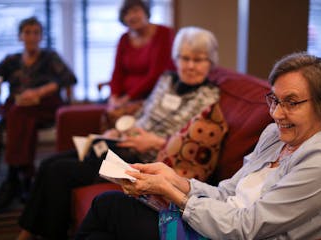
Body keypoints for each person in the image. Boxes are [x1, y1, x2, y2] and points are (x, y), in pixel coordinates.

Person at [75, 52, 321, 240]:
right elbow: (227, 191)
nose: (276, 113)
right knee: (103, 226)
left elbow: (247, 227)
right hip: (217, 225)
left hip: (235, 234)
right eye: (274, 100)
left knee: (108, 205)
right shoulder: (275, 135)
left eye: (291, 102)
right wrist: (175, 180)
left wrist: (172, 193)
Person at [16, 26, 220, 240]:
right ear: (175, 58)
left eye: (198, 60)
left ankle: (35, 235)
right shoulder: (167, 80)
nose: (189, 66)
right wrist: (121, 130)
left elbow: (189, 142)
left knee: (59, 172)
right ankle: (27, 232)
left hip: (142, 160)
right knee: (49, 164)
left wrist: (156, 142)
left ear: (211, 62)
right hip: (124, 142)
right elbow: (145, 111)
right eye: (184, 58)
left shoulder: (208, 98)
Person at [0, 17, 77, 210]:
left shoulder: (50, 57)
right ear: (20, 36)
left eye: (36, 32)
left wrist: (39, 92)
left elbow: (69, 78)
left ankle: (13, 178)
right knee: (20, 115)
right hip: (19, 109)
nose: (32, 36)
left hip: (44, 105)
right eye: (27, 32)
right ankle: (26, 177)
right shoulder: (12, 60)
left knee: (18, 114)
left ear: (41, 36)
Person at [99, 0, 175, 109]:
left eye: (136, 11)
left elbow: (156, 74)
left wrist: (127, 98)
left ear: (146, 12)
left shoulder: (164, 33)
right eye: (127, 13)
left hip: (153, 95)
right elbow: (117, 72)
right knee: (109, 111)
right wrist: (114, 97)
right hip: (124, 96)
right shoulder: (124, 39)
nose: (132, 16)